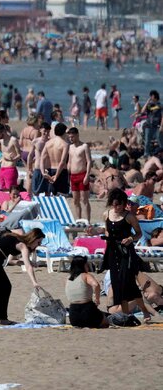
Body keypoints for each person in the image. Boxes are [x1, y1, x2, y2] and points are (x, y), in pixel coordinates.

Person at [102, 188, 156, 321]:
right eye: (114, 204)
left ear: (123, 203)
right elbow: (107, 231)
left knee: (128, 283)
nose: (116, 207)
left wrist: (131, 239)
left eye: (119, 205)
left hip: (126, 253)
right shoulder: (106, 214)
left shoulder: (129, 217)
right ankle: (126, 315)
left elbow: (139, 233)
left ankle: (144, 311)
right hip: (113, 252)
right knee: (117, 284)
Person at [0, 228, 45, 325]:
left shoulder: (19, 242)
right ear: (33, 239)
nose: (38, 245)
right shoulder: (23, 245)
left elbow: (10, 261)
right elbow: (28, 267)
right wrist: (34, 282)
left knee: (3, 287)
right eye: (38, 242)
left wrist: (25, 262)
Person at [66, 256, 108, 328]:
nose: (87, 267)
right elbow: (96, 285)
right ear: (83, 266)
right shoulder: (85, 275)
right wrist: (97, 298)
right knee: (106, 321)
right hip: (87, 311)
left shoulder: (68, 278)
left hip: (73, 316)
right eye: (86, 265)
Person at [66, 127, 92, 221]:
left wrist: (87, 175)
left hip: (82, 174)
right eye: (69, 137)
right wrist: (68, 174)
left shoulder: (84, 146)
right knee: (75, 200)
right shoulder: (70, 147)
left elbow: (89, 161)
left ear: (77, 135)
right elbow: (69, 161)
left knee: (84, 199)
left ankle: (88, 221)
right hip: (73, 176)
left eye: (72, 137)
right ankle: (79, 219)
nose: (71, 139)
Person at [0, 124, 20, 192]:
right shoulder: (1, 141)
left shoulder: (13, 140)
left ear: (3, 131)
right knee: (2, 190)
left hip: (10, 169)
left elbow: (19, 155)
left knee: (11, 191)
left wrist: (13, 159)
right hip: (2, 169)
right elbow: (3, 155)